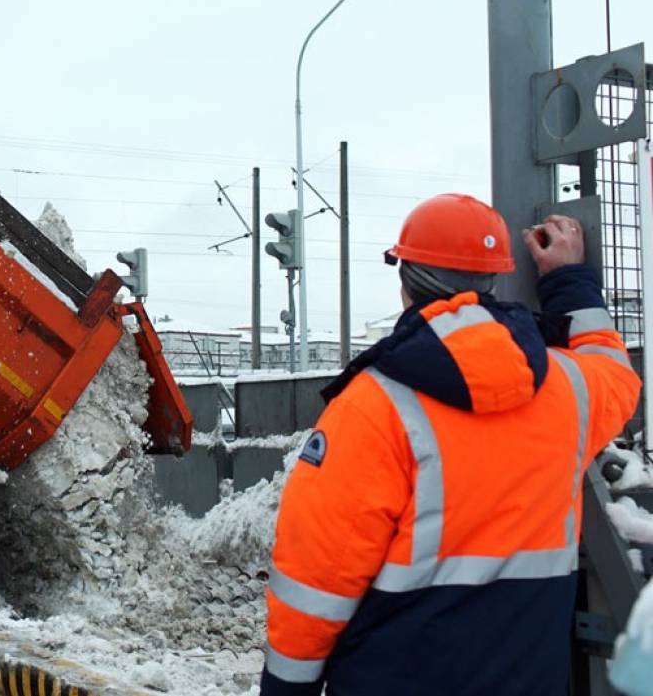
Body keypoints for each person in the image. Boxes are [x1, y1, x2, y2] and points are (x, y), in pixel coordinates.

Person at [259, 193, 641, 696]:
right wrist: (569, 282)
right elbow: (616, 375)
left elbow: (315, 581)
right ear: (496, 278)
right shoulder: (569, 390)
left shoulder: (372, 406)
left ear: (405, 281)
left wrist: (286, 688)